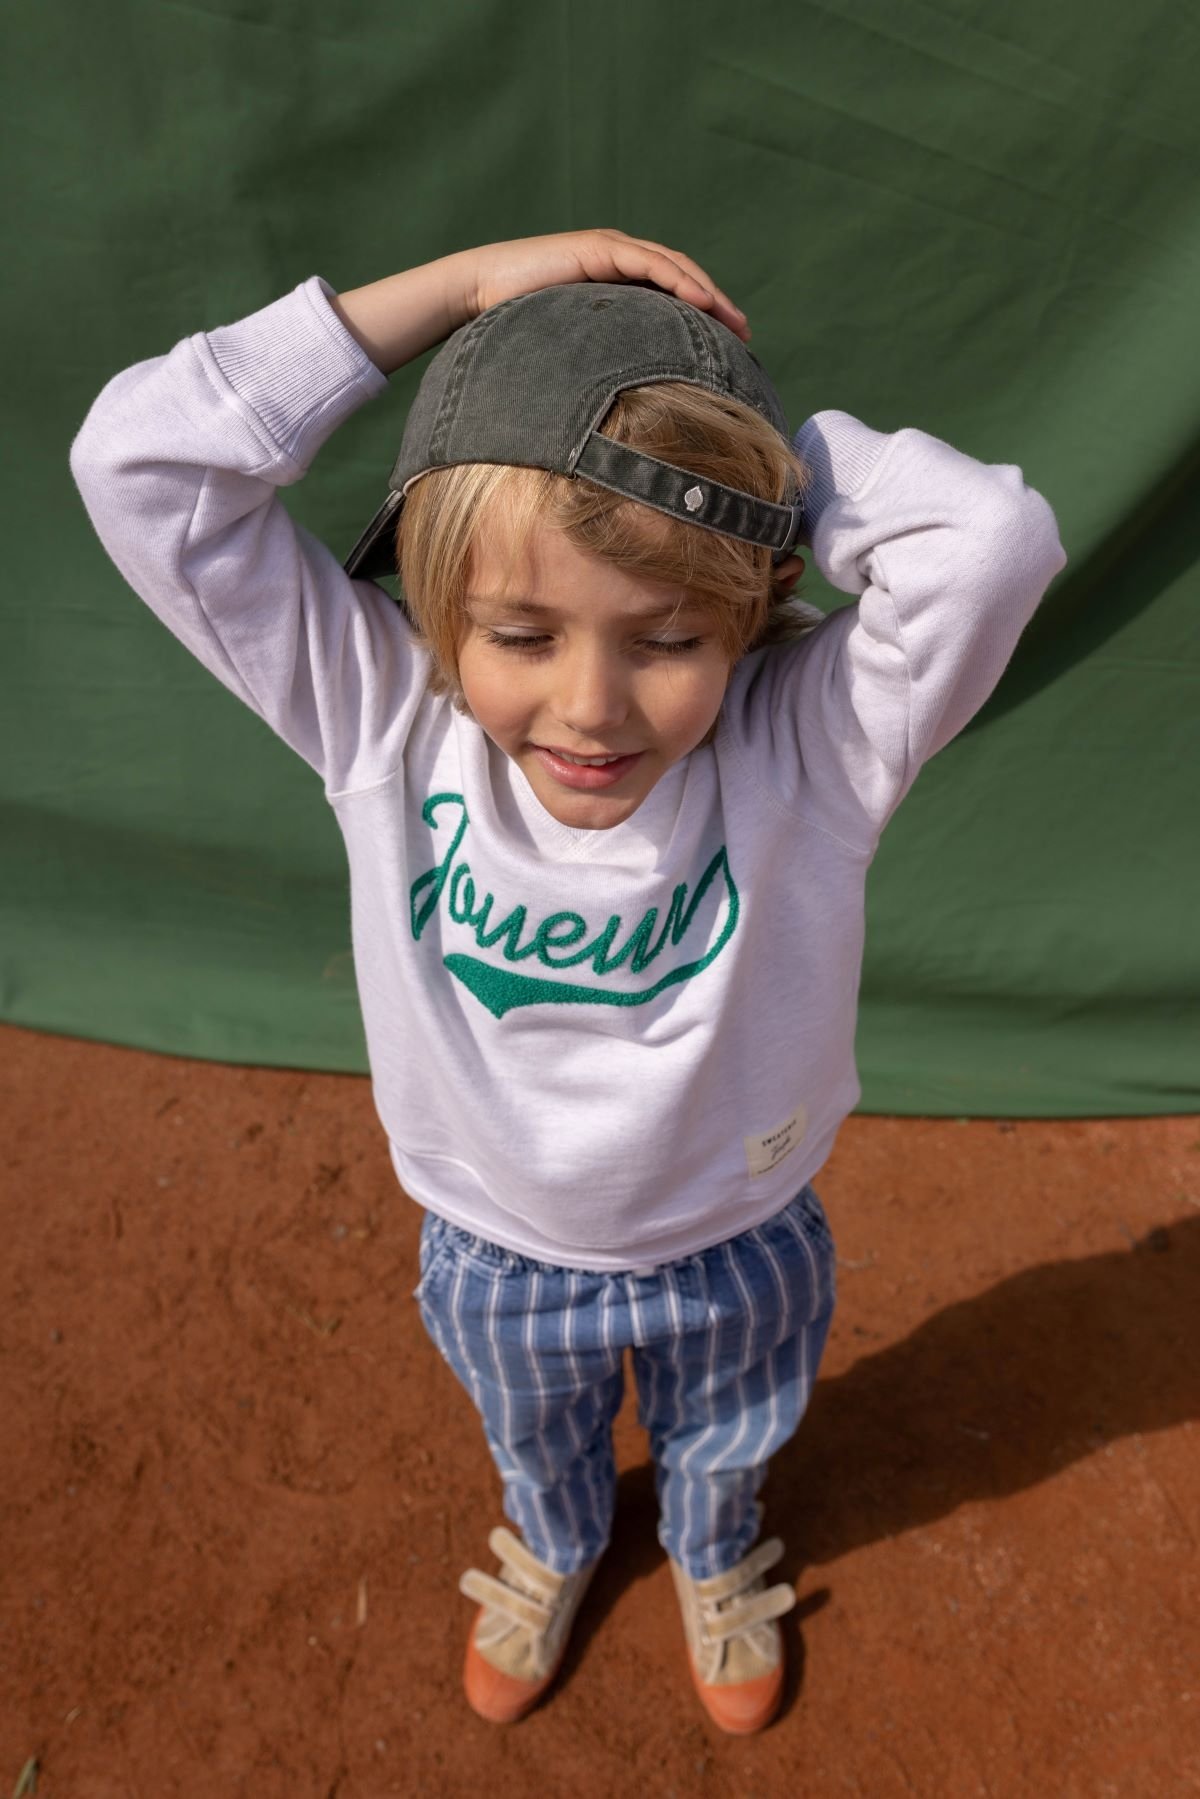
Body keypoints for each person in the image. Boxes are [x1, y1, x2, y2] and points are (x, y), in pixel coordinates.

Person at [69, 228, 1067, 1734]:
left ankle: (715, 1550)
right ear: (428, 602)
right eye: (521, 634)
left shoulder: (812, 749)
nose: (591, 707)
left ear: (747, 610)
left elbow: (990, 543)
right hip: (492, 1247)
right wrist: (465, 297)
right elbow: (140, 462)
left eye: (668, 637)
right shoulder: (383, 722)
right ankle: (555, 1540)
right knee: (534, 1442)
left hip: (740, 1231)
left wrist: (718, 444)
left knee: (731, 1434)